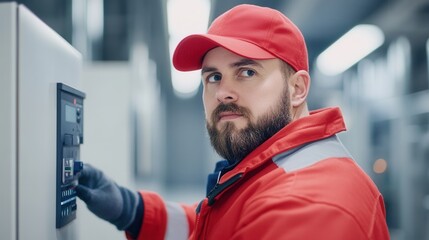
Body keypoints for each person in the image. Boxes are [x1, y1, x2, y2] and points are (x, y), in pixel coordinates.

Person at [76, 4, 390, 240]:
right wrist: (134, 211)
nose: (223, 92)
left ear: (297, 89)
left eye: (247, 72)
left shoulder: (307, 206)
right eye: (213, 77)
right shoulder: (273, 170)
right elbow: (218, 225)